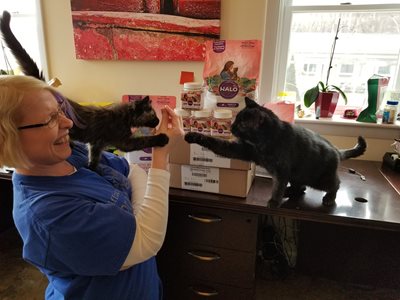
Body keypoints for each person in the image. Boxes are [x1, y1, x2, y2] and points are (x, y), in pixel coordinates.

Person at [0, 75, 184, 299]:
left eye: (59, 110)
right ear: (7, 138)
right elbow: (147, 241)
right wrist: (161, 155)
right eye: (50, 119)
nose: (68, 123)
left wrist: (137, 227)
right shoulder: (49, 214)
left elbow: (132, 170)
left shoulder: (70, 153)